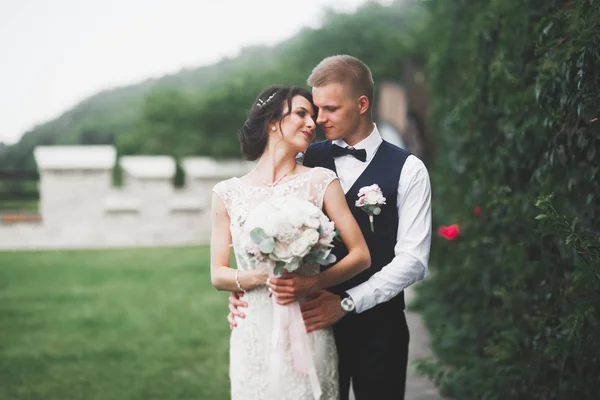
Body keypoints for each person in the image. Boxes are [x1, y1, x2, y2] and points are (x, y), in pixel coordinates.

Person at [229, 55, 432, 400]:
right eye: (315, 108)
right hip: (308, 325)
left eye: (330, 109)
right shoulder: (305, 158)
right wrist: (246, 286)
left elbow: (412, 260)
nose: (318, 119)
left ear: (362, 104)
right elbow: (263, 222)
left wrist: (348, 302)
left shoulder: (409, 170)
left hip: (379, 328)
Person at [211, 85, 371, 400]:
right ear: (272, 122)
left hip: (308, 327)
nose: (312, 123)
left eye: (313, 116)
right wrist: (260, 278)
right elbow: (218, 274)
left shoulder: (321, 181)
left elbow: (361, 255)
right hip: (252, 331)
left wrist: (314, 282)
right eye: (301, 113)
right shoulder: (226, 193)